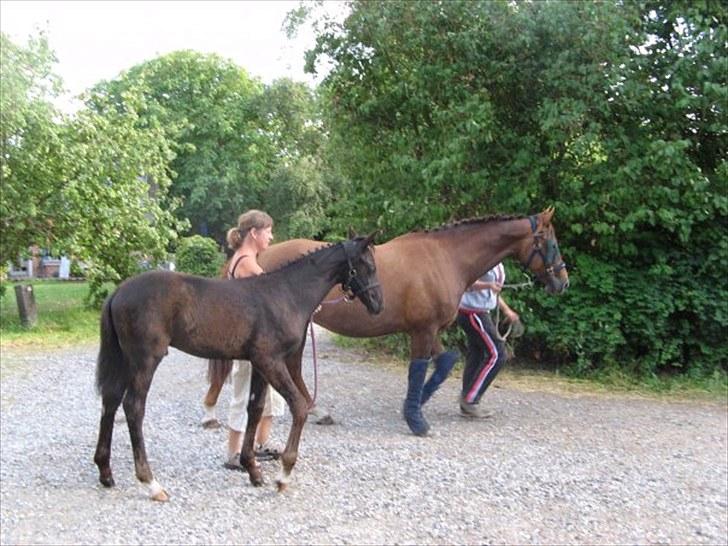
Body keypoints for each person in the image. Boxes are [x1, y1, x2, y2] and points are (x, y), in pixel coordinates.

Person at [222, 209, 286, 470]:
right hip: (247, 341)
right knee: (244, 393)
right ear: (254, 233)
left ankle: (260, 443)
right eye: (268, 231)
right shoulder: (246, 262)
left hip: (256, 341)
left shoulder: (248, 258)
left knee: (267, 394)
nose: (271, 236)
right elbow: (272, 298)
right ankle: (234, 452)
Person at [456, 262, 519, 418]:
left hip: (479, 312)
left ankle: (467, 400)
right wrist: (488, 285)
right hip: (473, 313)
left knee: (476, 354)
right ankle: (470, 400)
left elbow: (494, 293)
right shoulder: (482, 259)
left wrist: (507, 311)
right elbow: (466, 283)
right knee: (497, 354)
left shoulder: (498, 263)